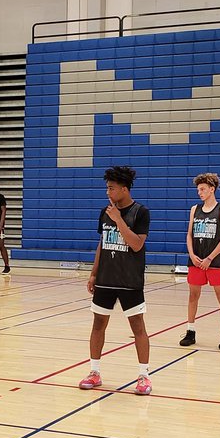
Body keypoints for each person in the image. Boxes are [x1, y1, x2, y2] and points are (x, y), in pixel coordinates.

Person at [79, 166, 153, 396]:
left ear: (123, 188)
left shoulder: (140, 212)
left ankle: (143, 375)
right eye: (107, 187)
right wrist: (93, 273)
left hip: (129, 280)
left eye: (111, 188)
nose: (107, 192)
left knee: (138, 327)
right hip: (106, 279)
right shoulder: (105, 212)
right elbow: (103, 243)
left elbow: (137, 244)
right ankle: (94, 371)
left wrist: (119, 220)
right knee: (98, 325)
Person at [179, 173, 220, 350]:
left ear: (212, 189)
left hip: (214, 261)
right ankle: (190, 330)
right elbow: (189, 234)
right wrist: (192, 254)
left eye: (202, 189)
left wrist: (210, 258)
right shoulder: (195, 209)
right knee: (193, 295)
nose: (199, 193)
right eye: (198, 190)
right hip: (195, 260)